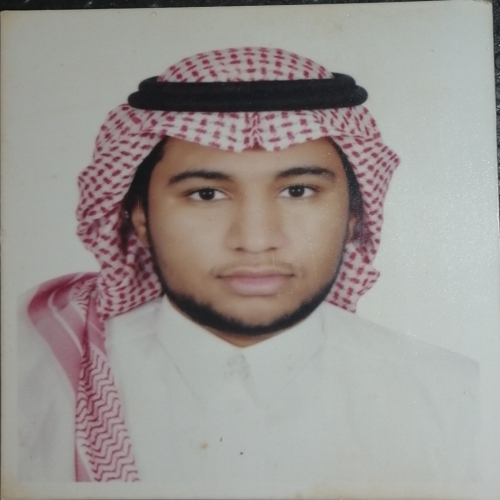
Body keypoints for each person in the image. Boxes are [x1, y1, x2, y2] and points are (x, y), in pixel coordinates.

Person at [18, 47, 478, 492]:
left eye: (298, 191)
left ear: (355, 215)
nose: (256, 240)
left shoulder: (455, 399)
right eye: (206, 194)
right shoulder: (37, 379)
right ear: (139, 216)